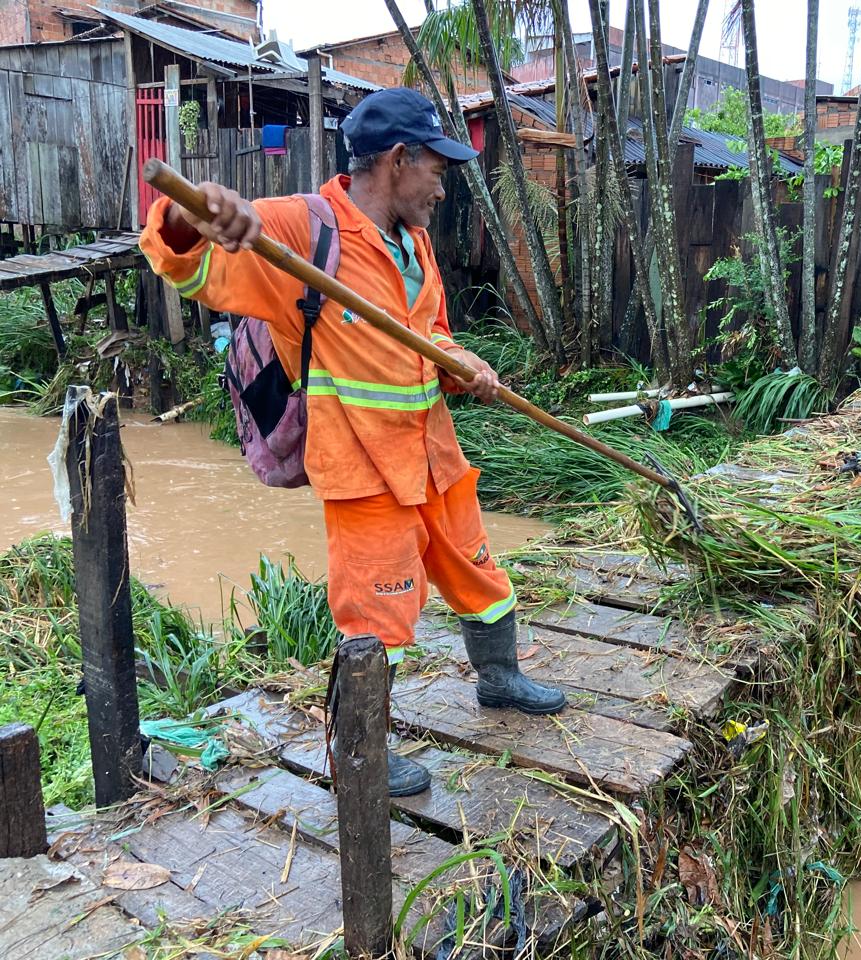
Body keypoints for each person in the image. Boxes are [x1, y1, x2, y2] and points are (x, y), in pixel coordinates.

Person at [139, 87, 566, 797]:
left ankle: (500, 678)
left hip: (433, 454)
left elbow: (425, 333)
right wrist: (197, 208)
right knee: (380, 618)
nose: (442, 184)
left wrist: (464, 367)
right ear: (398, 160)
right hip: (364, 470)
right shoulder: (302, 232)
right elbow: (185, 259)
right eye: (435, 167)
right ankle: (359, 747)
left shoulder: (415, 241)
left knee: (480, 576)